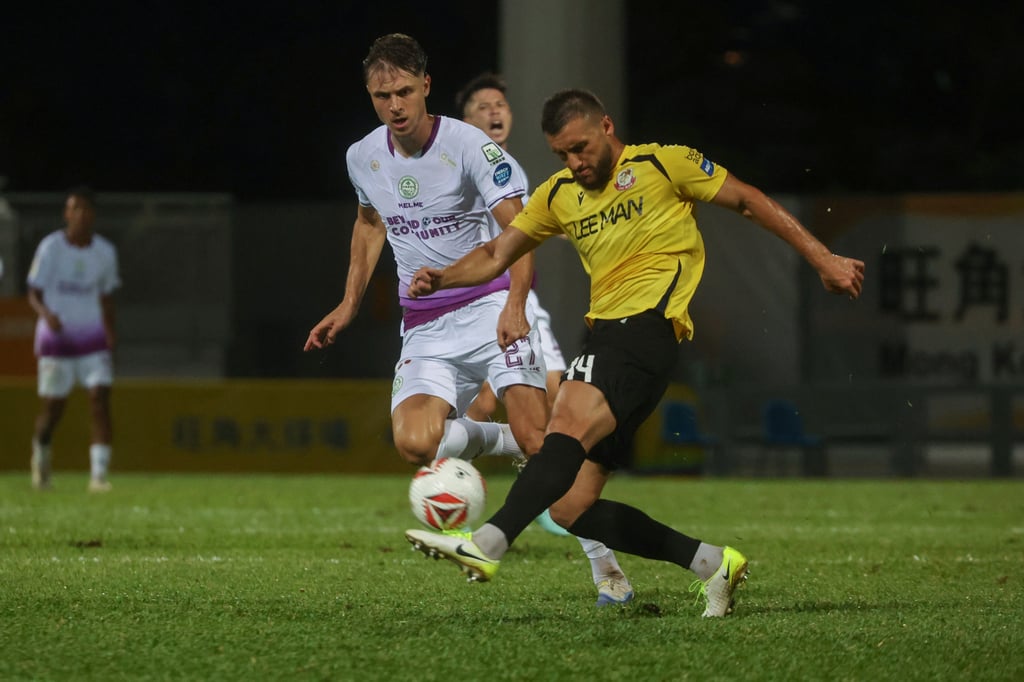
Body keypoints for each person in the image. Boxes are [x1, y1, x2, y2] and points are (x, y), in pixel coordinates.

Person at [405, 89, 866, 617]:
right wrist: (443, 276)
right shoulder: (558, 195)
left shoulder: (664, 164)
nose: (575, 163)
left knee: (563, 431)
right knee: (572, 505)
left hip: (644, 328)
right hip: (610, 339)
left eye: (581, 148)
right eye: (562, 155)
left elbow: (749, 200)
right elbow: (496, 252)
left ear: (606, 126)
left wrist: (824, 258)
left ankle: (486, 545)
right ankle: (711, 562)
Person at [303, 36, 632, 606]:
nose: (396, 105)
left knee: (538, 441)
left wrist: (513, 306)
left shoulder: (471, 147)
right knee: (413, 444)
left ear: (426, 86)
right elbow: (368, 223)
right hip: (425, 324)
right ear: (370, 96)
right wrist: (349, 303)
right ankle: (524, 441)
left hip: (488, 306)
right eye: (383, 96)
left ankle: (607, 569)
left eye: (405, 91)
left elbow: (522, 231)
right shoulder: (363, 156)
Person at [27, 186, 120, 492]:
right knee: (54, 408)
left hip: (92, 339)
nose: (80, 214)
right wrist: (46, 314)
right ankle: (40, 456)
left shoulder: (105, 252)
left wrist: (109, 330)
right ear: (67, 213)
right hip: (58, 340)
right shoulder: (51, 248)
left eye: (85, 209)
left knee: (99, 400)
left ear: (93, 214)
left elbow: (106, 297)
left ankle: (98, 475)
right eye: (74, 208)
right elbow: (34, 292)